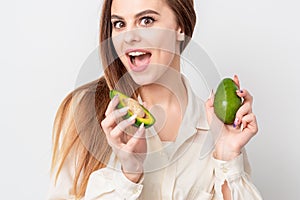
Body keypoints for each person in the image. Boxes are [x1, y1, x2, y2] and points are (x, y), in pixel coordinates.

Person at [48, 0, 263, 199]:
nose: (129, 37)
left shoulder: (217, 130)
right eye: (119, 24)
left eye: (146, 20)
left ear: (181, 28)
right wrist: (128, 176)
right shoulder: (83, 111)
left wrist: (227, 156)